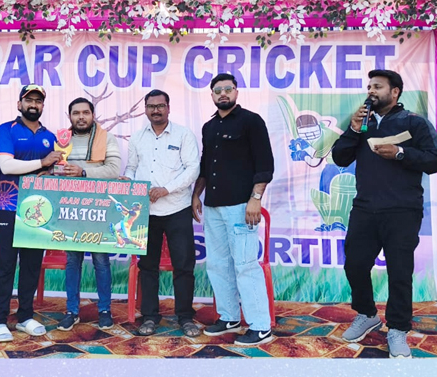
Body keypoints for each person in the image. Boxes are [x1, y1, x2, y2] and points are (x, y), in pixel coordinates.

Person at [331, 69, 437, 358]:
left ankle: (397, 329)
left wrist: (401, 153)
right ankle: (367, 314)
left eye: (378, 86)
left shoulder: (414, 122)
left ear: (394, 92)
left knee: (399, 273)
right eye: (369, 86)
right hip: (365, 208)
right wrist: (354, 130)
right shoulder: (362, 123)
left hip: (402, 211)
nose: (371, 91)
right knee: (355, 264)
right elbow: (339, 157)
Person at [192, 73, 275, 346]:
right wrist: (196, 195)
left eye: (228, 89)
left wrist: (255, 198)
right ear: (212, 95)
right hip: (214, 207)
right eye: (218, 90)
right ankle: (229, 317)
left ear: (236, 92)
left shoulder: (251, 121)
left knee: (245, 266)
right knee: (217, 264)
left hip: (241, 206)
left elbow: (265, 164)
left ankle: (260, 326)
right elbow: (206, 166)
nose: (223, 94)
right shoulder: (209, 127)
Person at [122, 89, 201, 337]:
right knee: (148, 266)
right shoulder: (137, 138)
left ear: (168, 108)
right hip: (146, 211)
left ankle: (185, 317)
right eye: (151, 106)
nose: (155, 110)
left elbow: (193, 169)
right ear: (145, 109)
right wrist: (129, 181)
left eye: (160, 106)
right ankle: (149, 316)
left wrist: (166, 189)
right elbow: (132, 167)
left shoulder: (183, 134)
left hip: (177, 208)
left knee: (183, 266)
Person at [0, 84, 63, 342]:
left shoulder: (50, 136)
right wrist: (42, 162)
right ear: (19, 104)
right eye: (28, 100)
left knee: (31, 265)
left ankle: (25, 317)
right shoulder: (6, 129)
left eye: (38, 101)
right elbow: (6, 165)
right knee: (5, 265)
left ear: (42, 106)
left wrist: (52, 170)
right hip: (9, 207)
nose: (33, 104)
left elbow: (54, 169)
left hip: (38, 210)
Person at [55, 97, 122, 331]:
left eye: (85, 112)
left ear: (93, 115)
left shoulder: (107, 138)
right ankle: (72, 311)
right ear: (69, 116)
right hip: (70, 209)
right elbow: (54, 169)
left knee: (101, 261)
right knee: (72, 261)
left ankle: (104, 310)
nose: (81, 117)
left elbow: (114, 170)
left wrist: (83, 172)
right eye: (76, 113)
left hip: (98, 210)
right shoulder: (61, 140)